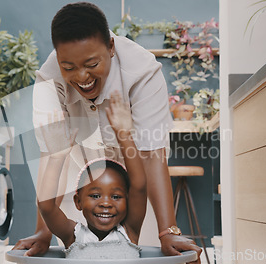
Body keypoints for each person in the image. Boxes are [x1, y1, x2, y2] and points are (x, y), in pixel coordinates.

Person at [13, 2, 202, 262]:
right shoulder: (49, 79)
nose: (81, 77)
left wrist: (167, 231)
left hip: (133, 193)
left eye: (91, 63)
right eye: (68, 68)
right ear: (58, 59)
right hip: (77, 183)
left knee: (141, 251)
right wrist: (44, 229)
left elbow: (151, 156)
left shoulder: (142, 72)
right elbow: (52, 153)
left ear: (111, 47)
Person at [36, 92, 147, 259]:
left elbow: (139, 185)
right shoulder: (72, 236)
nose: (106, 203)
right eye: (95, 195)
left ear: (128, 200)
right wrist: (56, 157)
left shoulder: (129, 232)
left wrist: (124, 135)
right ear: (78, 201)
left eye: (116, 196)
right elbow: (46, 206)